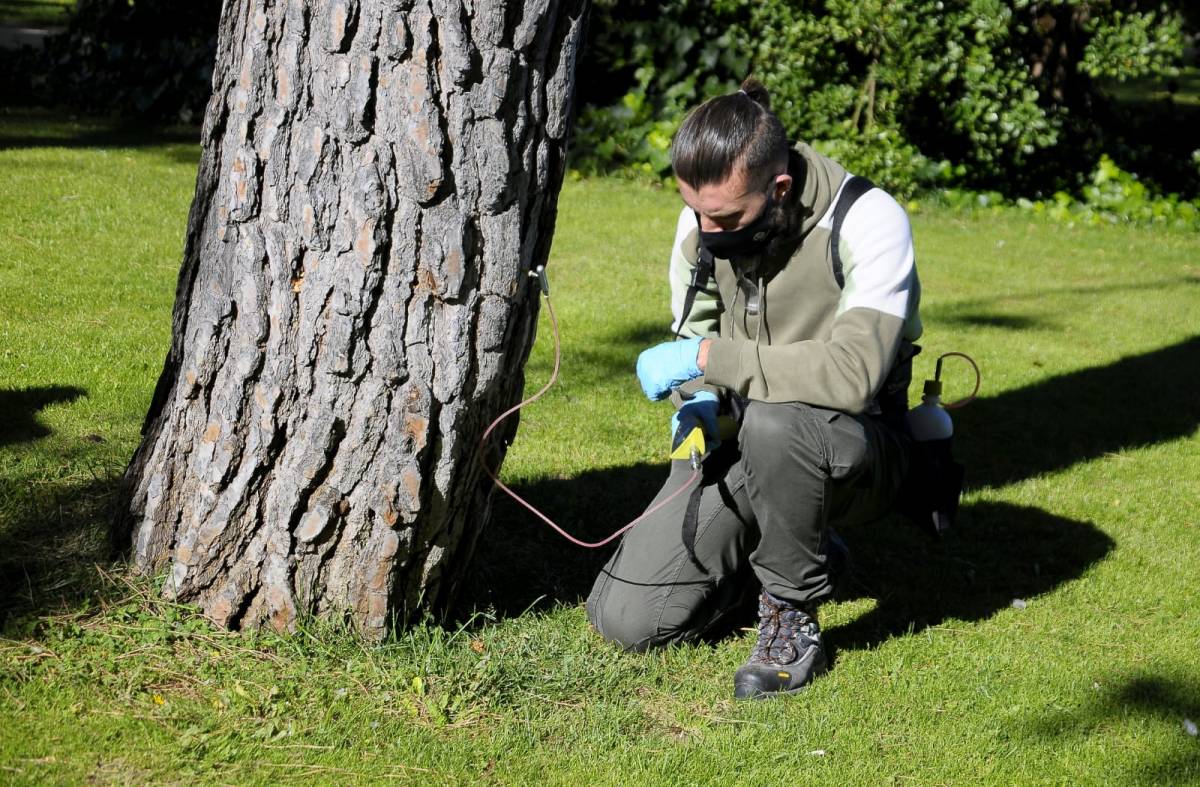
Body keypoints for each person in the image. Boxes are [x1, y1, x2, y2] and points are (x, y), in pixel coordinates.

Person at [585, 78, 924, 700]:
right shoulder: (703, 221)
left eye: (724, 218)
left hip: (859, 448)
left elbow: (854, 375)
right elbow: (694, 344)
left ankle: (790, 613)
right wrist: (700, 399)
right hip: (746, 438)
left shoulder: (869, 220)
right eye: (696, 211)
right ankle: (801, 544)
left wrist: (711, 357)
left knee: (778, 422)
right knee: (625, 621)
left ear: (781, 189)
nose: (708, 231)